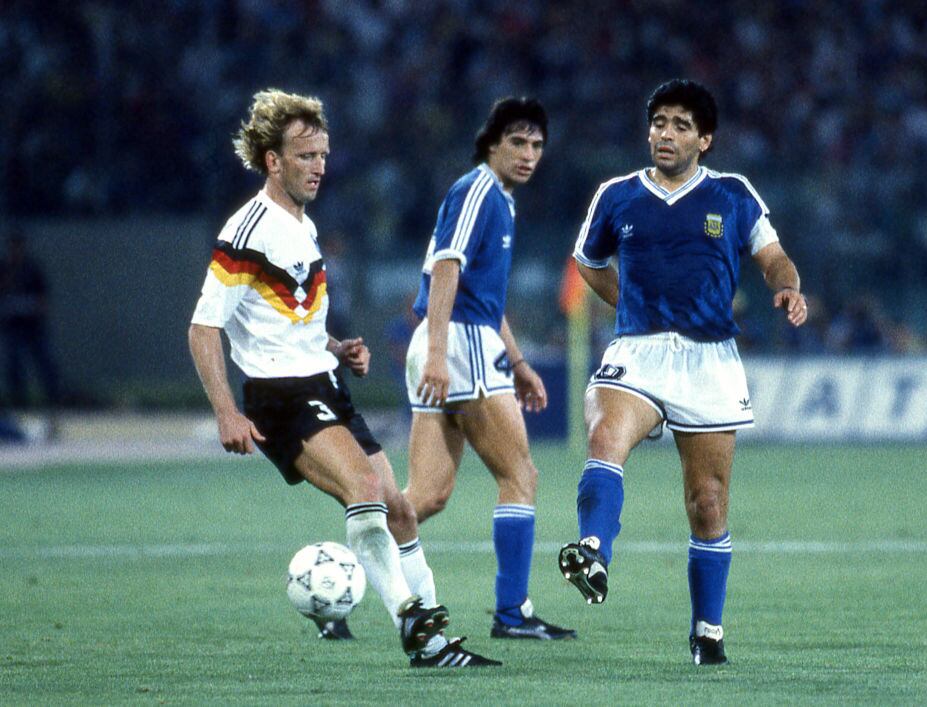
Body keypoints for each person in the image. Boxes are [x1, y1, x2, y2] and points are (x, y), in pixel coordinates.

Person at [187, 88, 498, 668]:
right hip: (281, 397)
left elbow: (280, 317)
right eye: (305, 156)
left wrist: (335, 346)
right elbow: (204, 328)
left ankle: (437, 645)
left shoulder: (301, 224)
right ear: (272, 161)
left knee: (398, 508)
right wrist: (227, 412)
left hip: (324, 386)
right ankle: (411, 620)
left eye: (323, 155)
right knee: (364, 489)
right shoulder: (248, 228)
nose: (319, 167)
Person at [558, 79, 808, 666]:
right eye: (659, 123)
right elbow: (588, 262)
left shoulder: (732, 194)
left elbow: (772, 257)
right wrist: (628, 306)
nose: (665, 134)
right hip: (638, 351)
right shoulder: (617, 196)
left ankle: (707, 631)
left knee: (708, 502)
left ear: (705, 138)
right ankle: (593, 550)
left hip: (709, 360)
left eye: (679, 125)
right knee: (604, 437)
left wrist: (788, 288)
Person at [404, 97, 575, 641]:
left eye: (537, 145)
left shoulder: (497, 198)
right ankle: (512, 614)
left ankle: (340, 574)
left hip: (456, 341)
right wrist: (437, 353)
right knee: (520, 475)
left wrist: (519, 361)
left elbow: (482, 293)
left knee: (426, 496)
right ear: (492, 143)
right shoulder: (478, 190)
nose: (529, 154)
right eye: (518, 142)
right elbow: (446, 268)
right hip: (458, 345)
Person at [0, 232, 62, 414]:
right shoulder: (4, 269)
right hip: (13, 326)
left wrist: (38, 311)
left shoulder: (33, 269)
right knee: (14, 366)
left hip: (33, 326)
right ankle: (20, 402)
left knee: (45, 364)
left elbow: (43, 298)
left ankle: (53, 400)